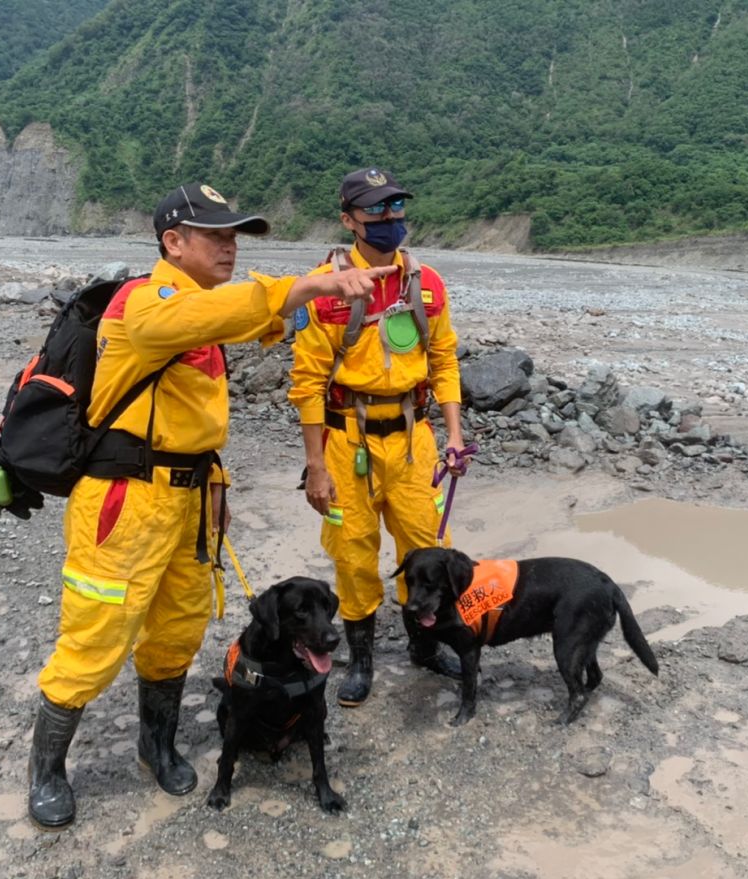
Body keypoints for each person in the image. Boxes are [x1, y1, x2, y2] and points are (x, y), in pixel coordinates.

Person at [28, 182, 395, 829]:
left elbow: (259, 327)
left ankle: (157, 743)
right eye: (216, 235)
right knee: (96, 634)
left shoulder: (202, 311)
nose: (230, 246)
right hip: (124, 502)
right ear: (173, 242)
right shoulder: (144, 303)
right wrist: (309, 287)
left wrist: (330, 282)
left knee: (176, 628)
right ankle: (48, 769)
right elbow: (223, 313)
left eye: (235, 236)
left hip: (190, 500)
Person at [289, 166, 470, 707]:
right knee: (353, 553)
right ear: (349, 220)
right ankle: (362, 660)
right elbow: (307, 383)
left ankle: (423, 644)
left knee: (427, 548)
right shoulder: (322, 290)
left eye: (396, 208)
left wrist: (455, 436)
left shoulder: (426, 284)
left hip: (415, 442)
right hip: (348, 442)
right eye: (376, 210)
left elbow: (443, 361)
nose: (391, 219)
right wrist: (316, 466)